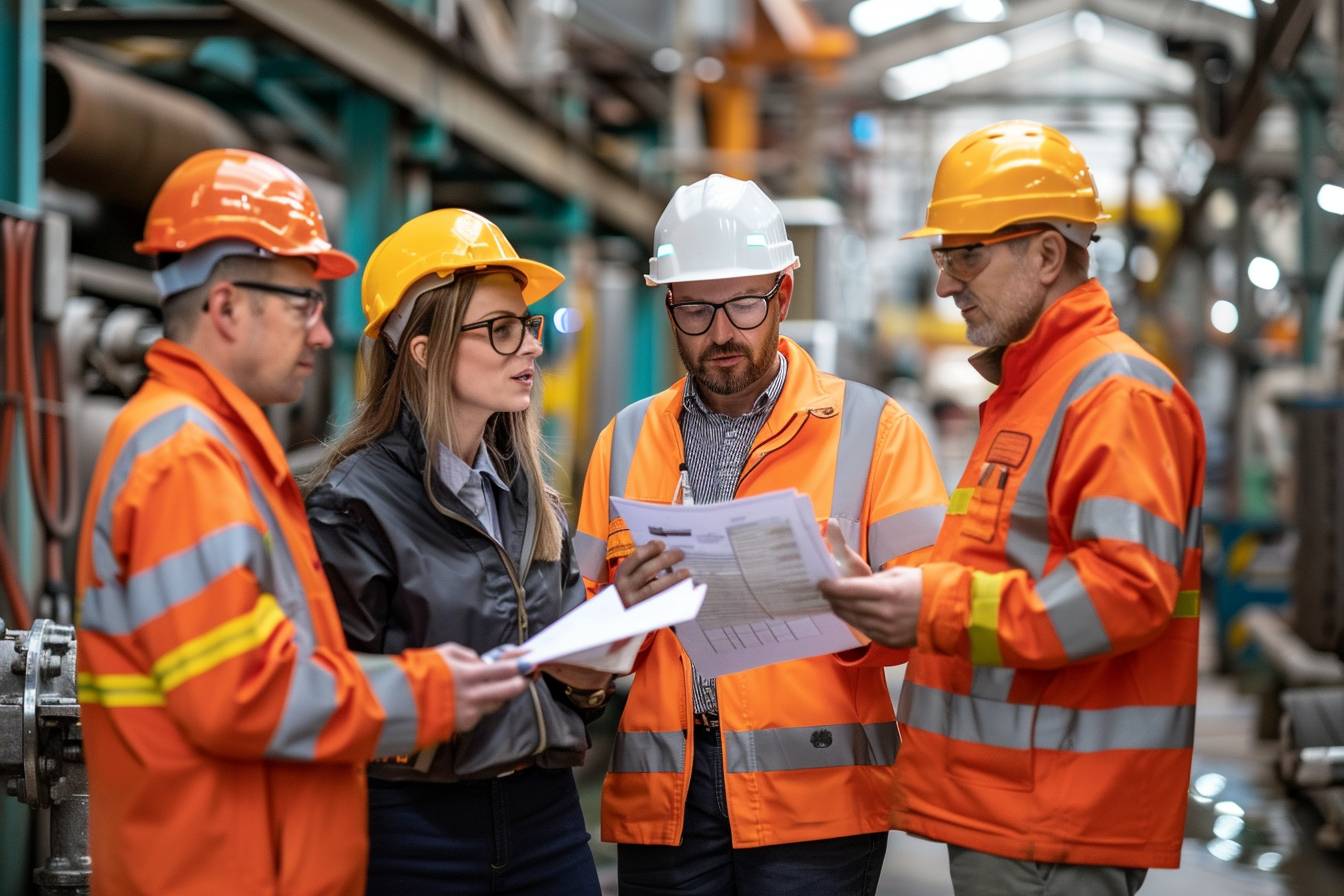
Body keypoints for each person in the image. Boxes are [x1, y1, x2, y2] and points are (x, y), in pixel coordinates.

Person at [74, 150, 528, 896]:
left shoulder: (223, 449)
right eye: (303, 305)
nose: (323, 335)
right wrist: (429, 690)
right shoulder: (186, 459)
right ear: (225, 307)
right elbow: (244, 695)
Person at [820, 121, 1206, 896]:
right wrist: (889, 590)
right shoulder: (1031, 392)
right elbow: (1002, 568)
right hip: (1013, 810)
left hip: (1055, 821)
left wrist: (931, 604)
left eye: (968, 255)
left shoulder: (1115, 395)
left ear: (1047, 254)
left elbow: (1125, 592)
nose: (945, 283)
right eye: (944, 256)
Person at [574, 173, 948, 896]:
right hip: (668, 800)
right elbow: (582, 628)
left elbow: (932, 611)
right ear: (668, 306)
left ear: (782, 295)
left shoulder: (876, 432)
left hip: (818, 804)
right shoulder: (624, 441)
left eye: (744, 304)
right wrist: (617, 610)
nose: (721, 332)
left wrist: (862, 604)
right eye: (696, 311)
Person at [303, 208, 683, 895]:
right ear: (425, 349)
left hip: (545, 817)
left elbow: (573, 691)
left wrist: (605, 647)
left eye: (527, 326)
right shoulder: (353, 505)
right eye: (501, 330)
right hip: (414, 829)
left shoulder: (529, 496)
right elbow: (329, 700)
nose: (531, 348)